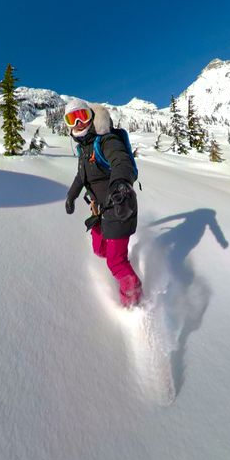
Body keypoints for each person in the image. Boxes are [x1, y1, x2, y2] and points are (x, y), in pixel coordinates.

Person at [63, 99, 143, 307]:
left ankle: (134, 303)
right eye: (72, 118)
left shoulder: (106, 141)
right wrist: (71, 196)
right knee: (99, 250)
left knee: (115, 261)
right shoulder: (84, 149)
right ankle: (120, 257)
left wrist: (120, 183)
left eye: (82, 115)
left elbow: (120, 160)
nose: (78, 122)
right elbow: (81, 177)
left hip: (119, 205)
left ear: (91, 116)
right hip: (100, 211)